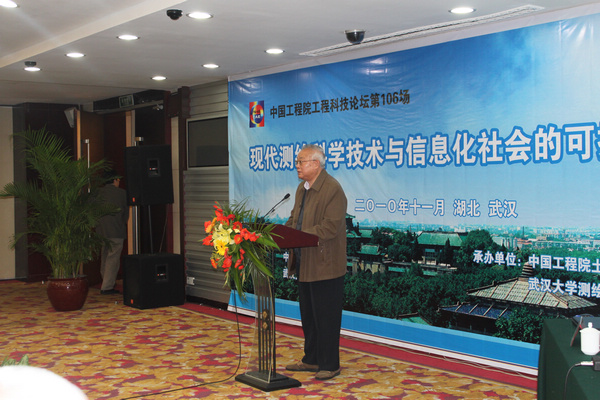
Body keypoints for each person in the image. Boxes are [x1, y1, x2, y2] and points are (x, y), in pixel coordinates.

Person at [284, 144, 347, 380]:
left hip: (325, 265)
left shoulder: (333, 189)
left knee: (326, 318)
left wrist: (299, 236)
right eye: (297, 161)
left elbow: (330, 227)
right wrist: (284, 234)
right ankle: (311, 359)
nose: (297, 166)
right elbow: (294, 219)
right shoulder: (302, 188)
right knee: (309, 316)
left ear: (316, 164)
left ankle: (330, 364)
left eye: (301, 161)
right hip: (304, 262)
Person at [96, 170, 129, 295]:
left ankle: (106, 280)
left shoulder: (97, 193)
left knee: (105, 255)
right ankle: (107, 286)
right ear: (115, 180)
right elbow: (125, 215)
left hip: (101, 230)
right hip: (116, 230)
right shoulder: (122, 193)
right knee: (113, 258)